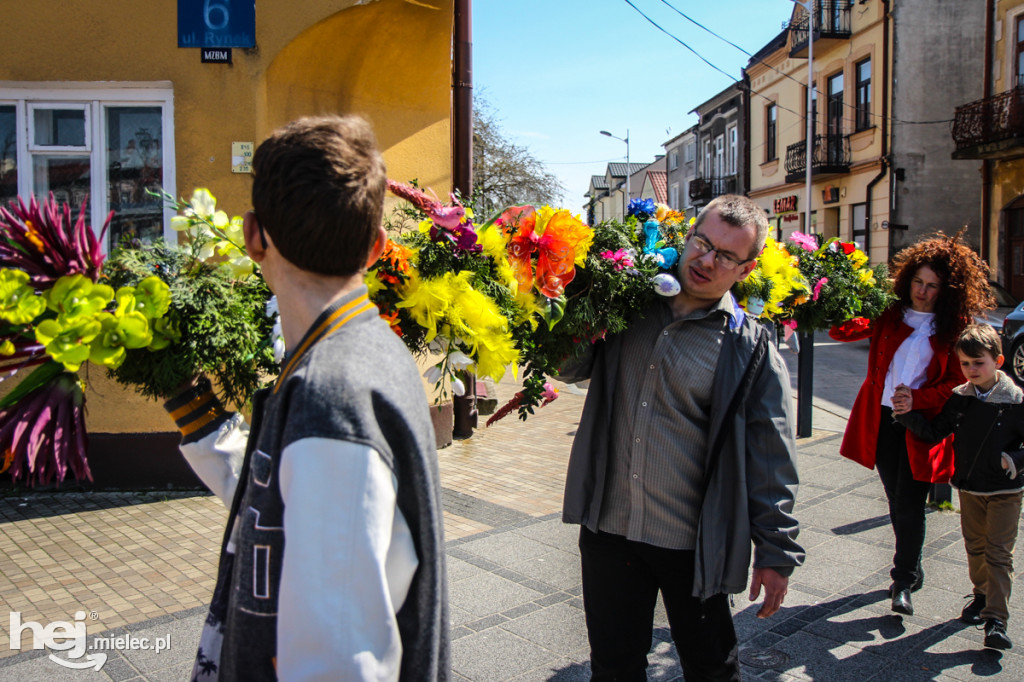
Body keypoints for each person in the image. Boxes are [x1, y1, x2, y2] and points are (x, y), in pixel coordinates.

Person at [161, 115, 448, 681]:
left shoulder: (333, 395)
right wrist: (201, 418)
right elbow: (291, 509)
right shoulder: (353, 354)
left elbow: (341, 665)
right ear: (376, 248)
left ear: (252, 236)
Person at [561, 194, 804, 681]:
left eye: (726, 256)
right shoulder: (627, 304)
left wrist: (776, 552)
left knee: (711, 668)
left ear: (746, 269)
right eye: (702, 242)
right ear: (688, 236)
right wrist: (575, 311)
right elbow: (569, 368)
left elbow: (772, 456)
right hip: (611, 529)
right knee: (613, 668)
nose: (707, 260)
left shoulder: (748, 347)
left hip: (692, 543)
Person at [830, 233, 992, 618]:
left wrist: (916, 400)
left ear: (946, 289)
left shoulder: (955, 326)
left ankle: (901, 581)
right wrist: (833, 301)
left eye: (932, 285)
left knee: (910, 503)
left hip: (921, 425)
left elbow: (958, 381)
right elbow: (841, 332)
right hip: (881, 419)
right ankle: (912, 567)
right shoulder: (889, 311)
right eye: (918, 282)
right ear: (907, 280)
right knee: (895, 498)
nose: (923, 291)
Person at [893, 323, 1024, 650]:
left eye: (978, 362)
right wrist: (907, 414)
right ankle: (981, 596)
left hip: (1006, 491)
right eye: (965, 363)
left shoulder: (1017, 400)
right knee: (975, 547)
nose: (971, 370)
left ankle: (996, 620)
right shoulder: (960, 398)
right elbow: (935, 432)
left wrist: (1013, 460)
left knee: (998, 553)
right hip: (970, 487)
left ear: (999, 360)